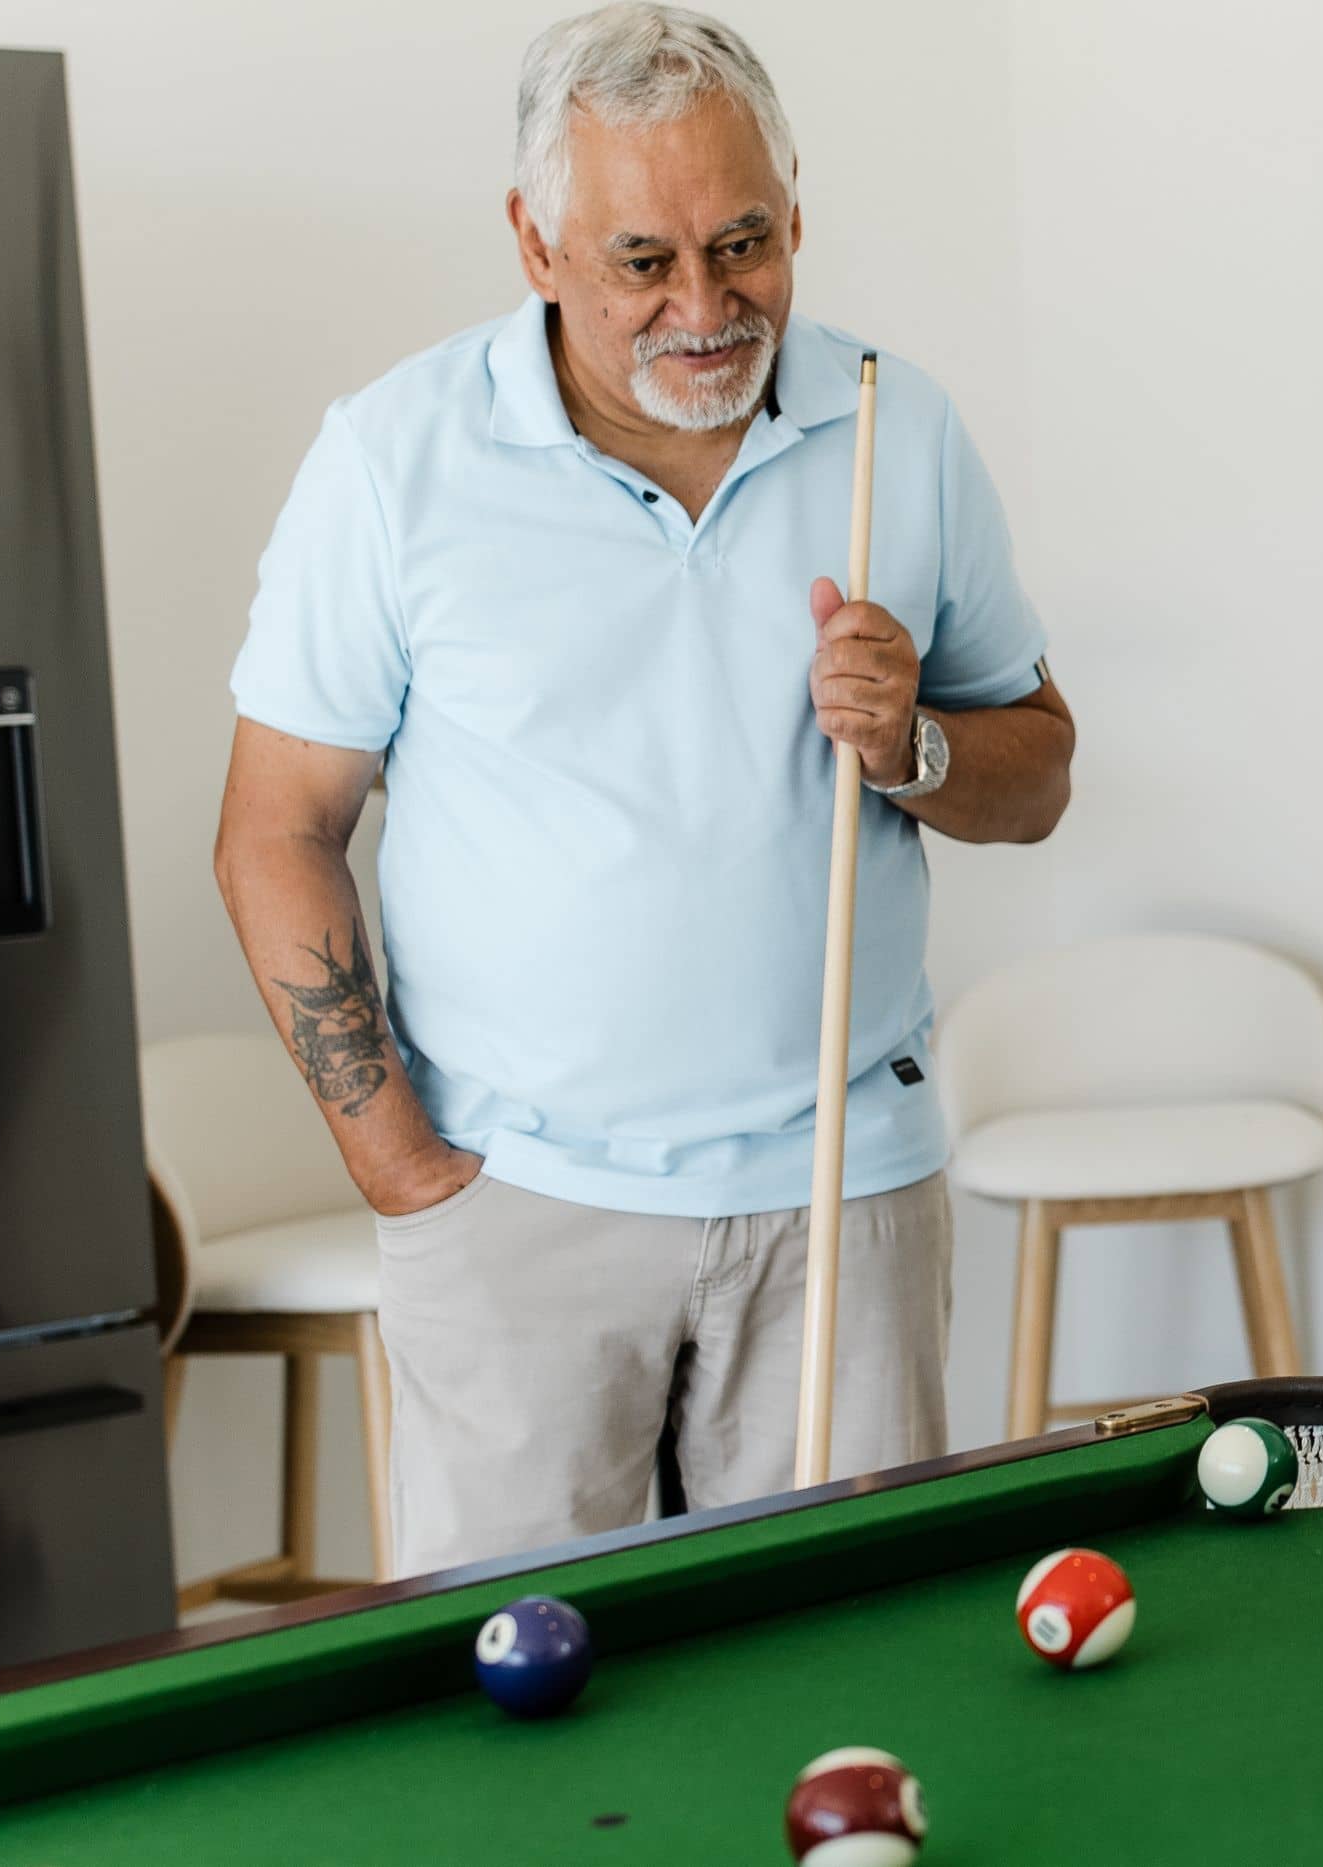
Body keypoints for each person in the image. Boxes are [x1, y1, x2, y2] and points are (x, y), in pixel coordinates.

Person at [213, 3, 1073, 1575]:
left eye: (744, 244)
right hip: (517, 1207)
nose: (705, 304)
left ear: (797, 215)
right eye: (642, 261)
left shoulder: (899, 425)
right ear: (536, 243)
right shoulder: (397, 459)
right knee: (521, 1724)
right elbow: (276, 829)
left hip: (844, 1206)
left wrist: (915, 746)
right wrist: (405, 1172)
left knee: (847, 1682)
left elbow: (1041, 775)